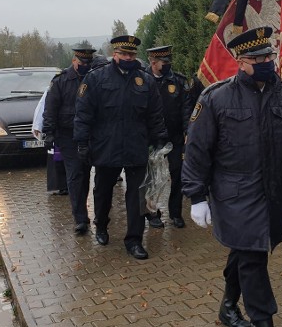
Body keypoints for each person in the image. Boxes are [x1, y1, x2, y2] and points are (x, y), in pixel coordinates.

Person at [182, 26, 282, 327]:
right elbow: (197, 149)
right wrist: (196, 195)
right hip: (234, 194)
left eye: (268, 57)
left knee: (246, 253)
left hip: (270, 194)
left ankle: (228, 307)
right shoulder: (216, 99)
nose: (265, 63)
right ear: (239, 62)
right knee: (255, 260)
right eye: (256, 59)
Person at [74, 35, 168, 260]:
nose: (128, 58)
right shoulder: (96, 79)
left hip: (136, 146)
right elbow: (83, 113)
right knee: (103, 192)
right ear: (114, 54)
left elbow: (155, 114)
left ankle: (134, 240)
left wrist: (160, 140)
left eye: (132, 54)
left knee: (137, 195)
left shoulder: (145, 80)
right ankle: (102, 225)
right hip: (106, 146)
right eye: (124, 54)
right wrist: (82, 143)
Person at [42, 46, 100, 235]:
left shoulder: (93, 78)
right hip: (68, 135)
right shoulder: (61, 81)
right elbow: (50, 107)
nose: (85, 66)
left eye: (88, 63)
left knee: (85, 174)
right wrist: (48, 132)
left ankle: (87, 211)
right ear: (74, 60)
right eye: (82, 62)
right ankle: (80, 219)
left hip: (90, 134)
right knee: (75, 175)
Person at [144, 45, 192, 228]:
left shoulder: (178, 81)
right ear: (153, 62)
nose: (167, 65)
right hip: (152, 138)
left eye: (169, 61)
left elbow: (186, 109)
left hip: (175, 137)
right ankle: (152, 213)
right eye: (164, 62)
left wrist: (188, 131)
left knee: (177, 174)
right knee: (152, 177)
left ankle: (175, 213)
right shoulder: (143, 79)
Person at [33, 88, 67, 195]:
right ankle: (62, 185)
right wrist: (38, 126)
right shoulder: (54, 88)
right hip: (58, 130)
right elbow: (44, 108)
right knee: (58, 159)